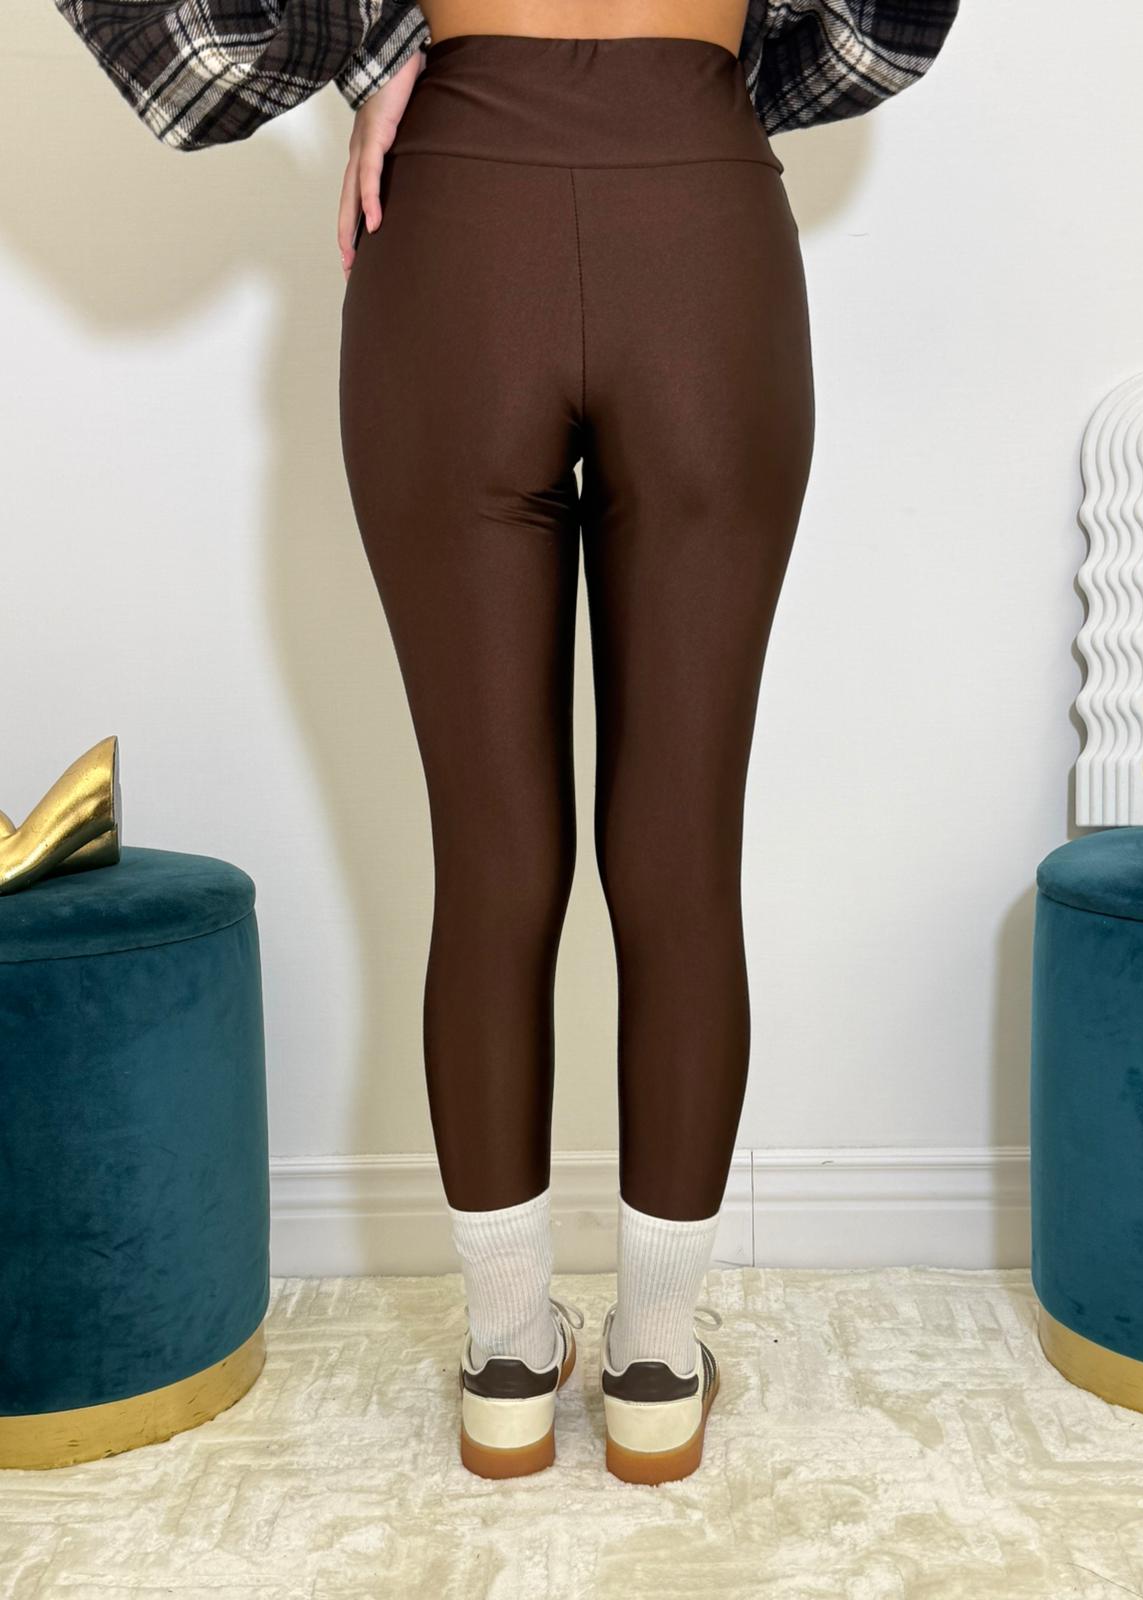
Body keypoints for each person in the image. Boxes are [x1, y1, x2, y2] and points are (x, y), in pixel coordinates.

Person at [53, 0, 959, 1485]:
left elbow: (197, 41)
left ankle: (506, 1359)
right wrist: (711, 94)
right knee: (680, 856)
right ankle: (656, 1366)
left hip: (455, 225)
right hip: (703, 224)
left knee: (490, 859)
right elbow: (885, 29)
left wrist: (373, 58)